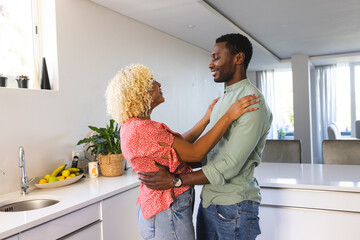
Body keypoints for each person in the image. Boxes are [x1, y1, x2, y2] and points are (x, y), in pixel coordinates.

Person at [138, 33, 273, 240]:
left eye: (216, 57)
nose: (211, 64)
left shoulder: (252, 103)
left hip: (235, 206)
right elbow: (210, 153)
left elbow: (230, 165)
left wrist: (175, 180)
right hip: (209, 201)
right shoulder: (222, 102)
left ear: (238, 58)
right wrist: (171, 161)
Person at [105, 64, 260, 240]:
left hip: (159, 209)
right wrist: (228, 116)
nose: (158, 83)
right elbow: (194, 153)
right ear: (140, 93)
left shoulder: (133, 126)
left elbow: (180, 146)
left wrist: (206, 119)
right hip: (166, 209)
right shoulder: (144, 130)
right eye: (151, 82)